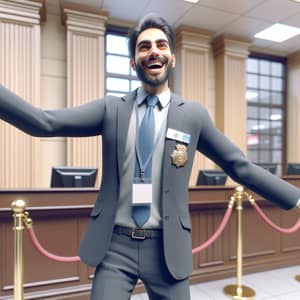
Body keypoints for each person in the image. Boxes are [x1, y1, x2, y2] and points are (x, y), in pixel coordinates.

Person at [0, 13, 300, 300]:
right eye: (144, 47)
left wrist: (296, 197)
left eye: (161, 45)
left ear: (172, 57)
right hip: (114, 247)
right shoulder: (111, 109)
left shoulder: (192, 115)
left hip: (167, 248)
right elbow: (44, 122)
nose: (153, 51)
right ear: (134, 62)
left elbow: (239, 166)